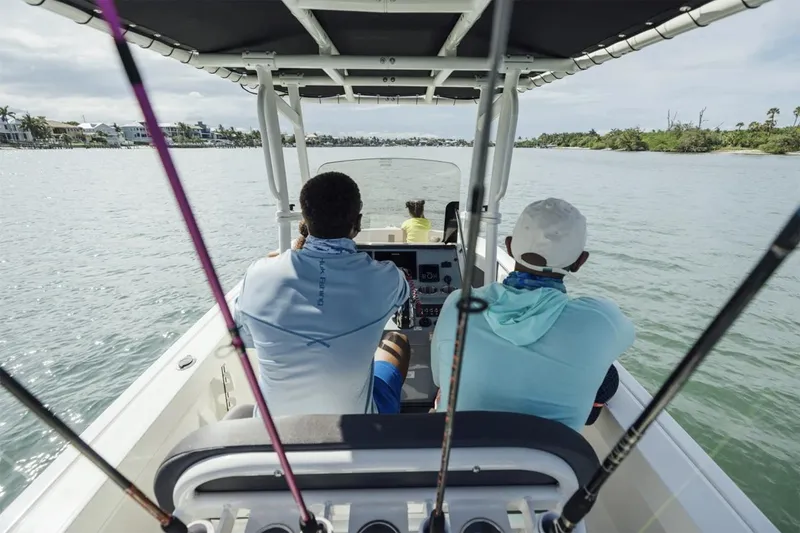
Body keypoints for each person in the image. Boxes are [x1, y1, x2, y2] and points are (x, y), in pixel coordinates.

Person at [430, 198, 634, 432]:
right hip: (549, 456)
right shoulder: (601, 321)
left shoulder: (458, 304)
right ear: (580, 262)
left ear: (509, 246)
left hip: (455, 451)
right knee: (607, 375)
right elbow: (626, 339)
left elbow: (438, 378)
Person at [234, 171, 412, 416]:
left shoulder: (257, 275)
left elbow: (243, 336)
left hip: (274, 430)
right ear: (358, 222)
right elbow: (404, 295)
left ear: (305, 221)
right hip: (359, 428)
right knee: (397, 341)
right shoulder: (386, 278)